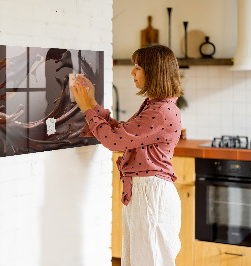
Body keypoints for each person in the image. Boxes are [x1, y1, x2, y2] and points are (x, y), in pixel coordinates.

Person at [71, 44, 183, 266]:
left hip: (151, 195)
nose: (132, 72)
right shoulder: (156, 106)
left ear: (154, 72)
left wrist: (86, 108)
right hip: (146, 193)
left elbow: (114, 141)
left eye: (138, 67)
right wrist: (92, 104)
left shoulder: (160, 111)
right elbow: (122, 133)